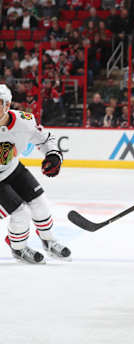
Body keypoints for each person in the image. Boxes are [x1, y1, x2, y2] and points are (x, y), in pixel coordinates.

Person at [0, 84, 71, 264]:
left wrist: (54, 156)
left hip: (13, 169)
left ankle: (48, 240)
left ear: (7, 105)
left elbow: (45, 139)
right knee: (21, 213)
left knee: (40, 203)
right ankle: (18, 248)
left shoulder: (25, 122)